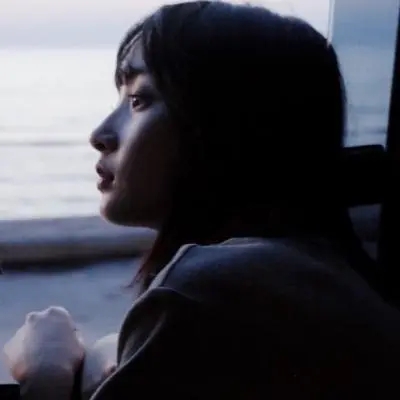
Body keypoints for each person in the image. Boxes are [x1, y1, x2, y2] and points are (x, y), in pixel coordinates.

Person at [4, 1, 400, 398]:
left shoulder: (214, 290)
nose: (100, 134)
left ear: (226, 126)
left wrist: (47, 371)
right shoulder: (312, 280)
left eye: (139, 99)